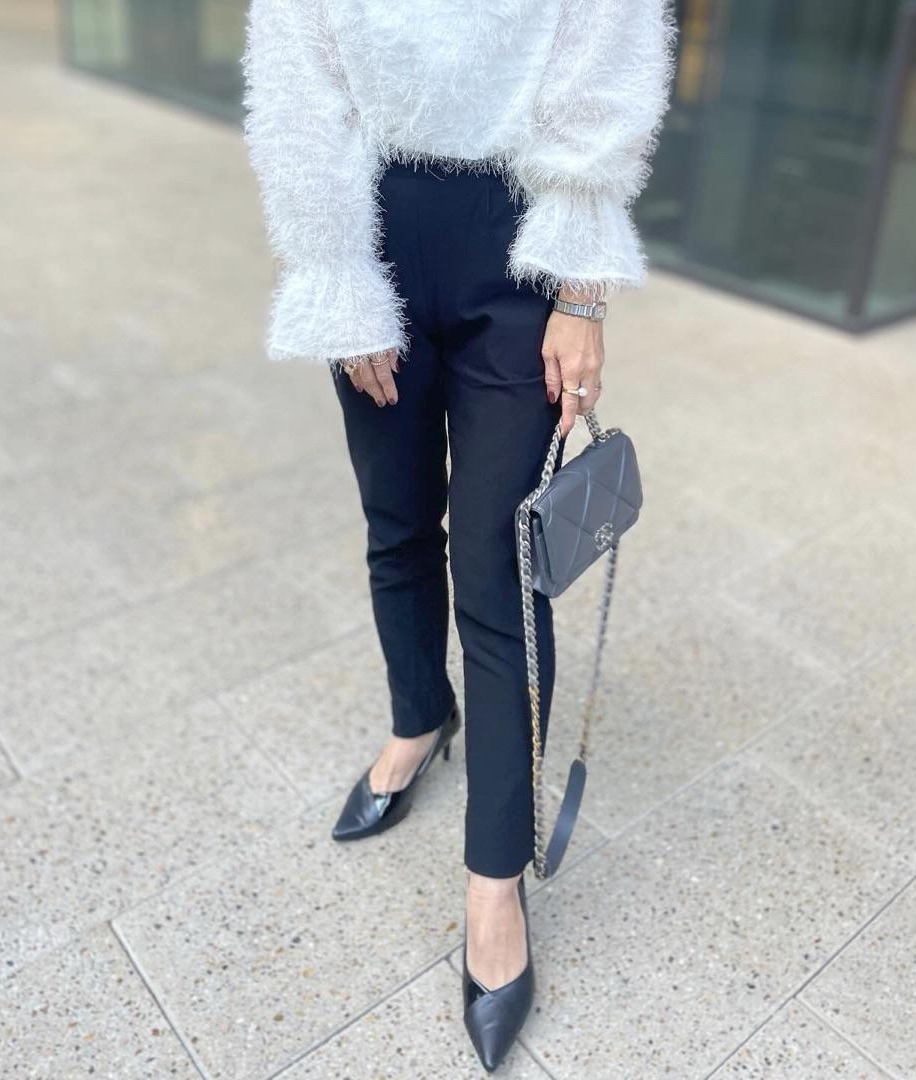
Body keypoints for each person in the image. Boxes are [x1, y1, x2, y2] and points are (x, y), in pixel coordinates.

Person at [241, 0, 675, 1070]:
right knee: (396, 523)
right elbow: (298, 85)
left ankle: (495, 882)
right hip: (368, 223)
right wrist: (336, 275)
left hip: (521, 242)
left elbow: (605, 70)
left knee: (499, 571)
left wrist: (584, 295)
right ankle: (418, 716)